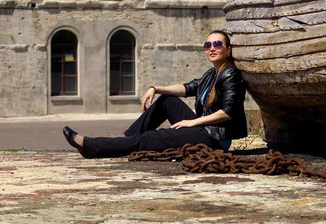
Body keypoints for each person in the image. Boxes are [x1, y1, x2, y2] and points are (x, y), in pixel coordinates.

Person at [63, 30, 248, 158]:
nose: (212, 48)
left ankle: (92, 147)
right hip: (204, 129)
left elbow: (228, 112)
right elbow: (187, 88)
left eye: (217, 44)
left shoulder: (231, 74)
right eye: (208, 45)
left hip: (215, 139)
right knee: (167, 100)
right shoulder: (211, 74)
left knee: (152, 138)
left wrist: (192, 122)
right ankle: (128, 140)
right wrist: (155, 88)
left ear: (228, 49)